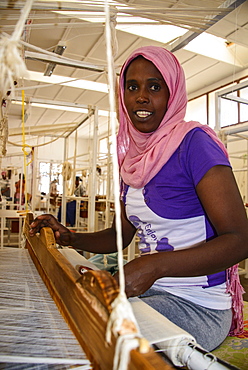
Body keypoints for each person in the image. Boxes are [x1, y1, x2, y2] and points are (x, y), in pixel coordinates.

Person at [29, 46, 248, 352]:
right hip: (150, 294)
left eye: (155, 87)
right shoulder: (132, 159)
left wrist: (154, 266)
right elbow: (120, 234)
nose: (141, 97)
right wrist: (70, 237)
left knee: (95, 335)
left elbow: (239, 240)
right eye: (132, 87)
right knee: (70, 316)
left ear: (172, 94)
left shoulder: (195, 144)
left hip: (198, 307)